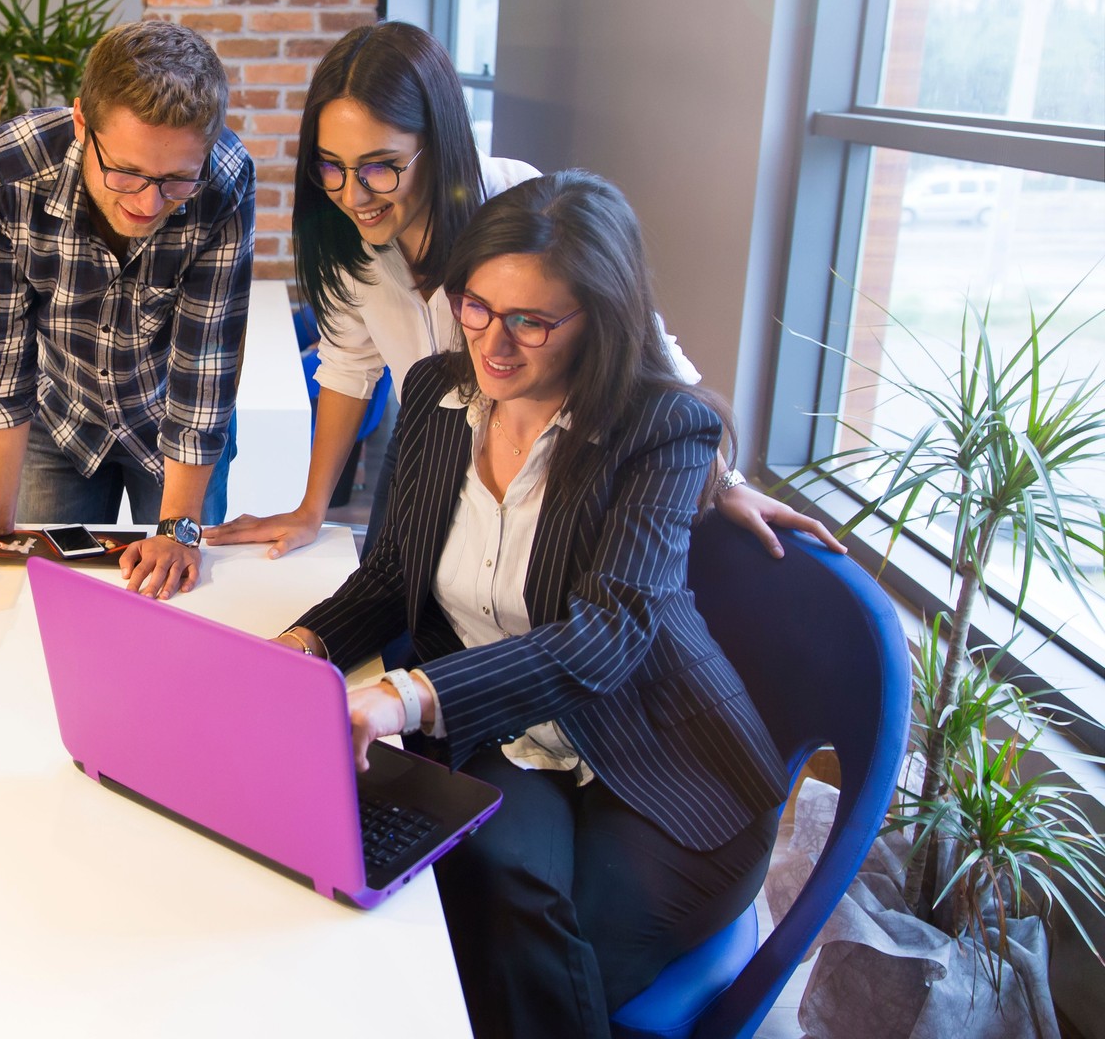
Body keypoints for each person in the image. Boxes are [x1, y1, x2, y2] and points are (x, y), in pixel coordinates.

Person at [276, 171, 788, 1038]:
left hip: (661, 752)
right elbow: (390, 572)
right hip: (508, 724)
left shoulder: (662, 428)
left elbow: (607, 637)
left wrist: (406, 696)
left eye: (532, 321)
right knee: (472, 911)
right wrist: (300, 646)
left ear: (604, 320)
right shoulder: (440, 396)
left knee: (523, 959)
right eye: (477, 306)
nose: (495, 345)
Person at [206, 22, 840, 561]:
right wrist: (311, 509)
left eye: (381, 166)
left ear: (438, 140)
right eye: (332, 167)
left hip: (547, 468)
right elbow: (348, 368)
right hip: (435, 457)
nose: (352, 194)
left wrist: (722, 477)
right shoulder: (350, 246)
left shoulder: (520, 203)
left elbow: (642, 343)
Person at [0, 21, 255, 600]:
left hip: (173, 426)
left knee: (183, 600)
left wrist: (179, 528)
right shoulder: (7, 171)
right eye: (125, 172)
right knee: (47, 602)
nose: (148, 203)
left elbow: (205, 365)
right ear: (82, 123)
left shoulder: (225, 182)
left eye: (177, 180)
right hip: (61, 421)